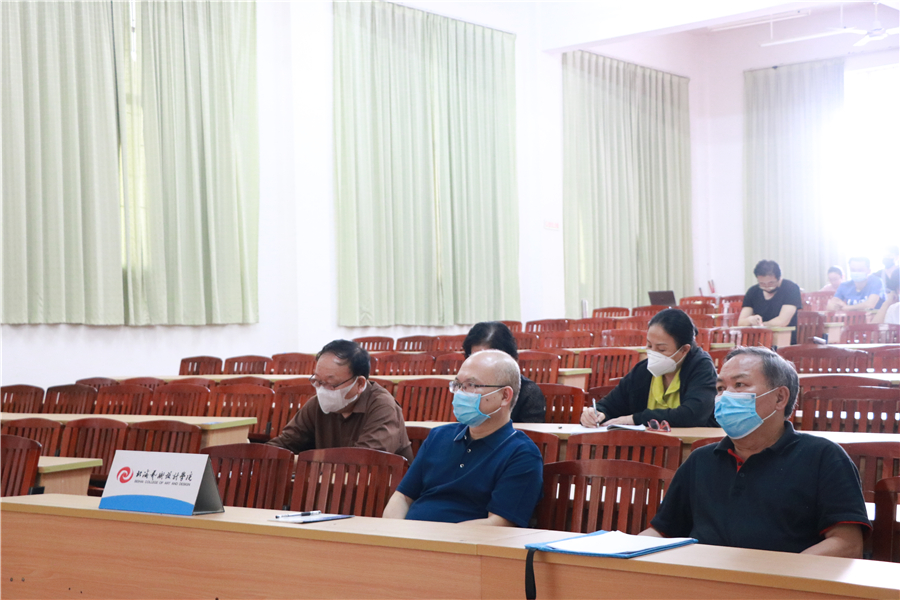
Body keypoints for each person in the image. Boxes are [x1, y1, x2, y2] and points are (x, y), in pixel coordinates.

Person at [643, 347, 869, 557]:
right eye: (721, 388)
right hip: (702, 578)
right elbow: (662, 531)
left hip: (784, 581)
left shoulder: (823, 457)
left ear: (780, 397)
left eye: (739, 385)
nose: (726, 396)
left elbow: (847, 544)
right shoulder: (700, 460)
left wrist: (780, 576)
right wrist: (628, 550)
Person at [382, 350, 543, 526]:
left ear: (505, 396)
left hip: (463, 541)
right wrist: (394, 531)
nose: (460, 393)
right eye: (458, 384)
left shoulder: (522, 454)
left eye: (471, 385)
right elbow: (402, 497)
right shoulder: (438, 436)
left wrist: (431, 536)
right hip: (410, 536)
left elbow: (499, 524)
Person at [267, 339, 413, 461]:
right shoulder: (316, 405)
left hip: (381, 484)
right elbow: (286, 443)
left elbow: (364, 459)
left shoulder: (383, 407)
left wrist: (303, 462)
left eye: (331, 384)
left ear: (360, 384)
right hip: (330, 481)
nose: (322, 390)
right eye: (318, 381)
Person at [580, 308, 717, 428]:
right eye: (649, 346)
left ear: (684, 350)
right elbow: (611, 404)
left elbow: (692, 415)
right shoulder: (643, 371)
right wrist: (595, 413)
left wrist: (636, 419)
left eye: (661, 349)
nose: (653, 353)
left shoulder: (701, 368)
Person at [462, 321, 546, 423]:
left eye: (486, 360)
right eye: (473, 358)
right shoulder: (466, 388)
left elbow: (530, 431)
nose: (478, 365)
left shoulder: (528, 392)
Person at [738, 260, 803, 344]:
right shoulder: (753, 291)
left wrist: (761, 325)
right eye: (762, 284)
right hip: (758, 340)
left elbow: (782, 322)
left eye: (771, 283)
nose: (767, 287)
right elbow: (741, 322)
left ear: (779, 278)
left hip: (783, 338)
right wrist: (750, 320)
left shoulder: (791, 288)